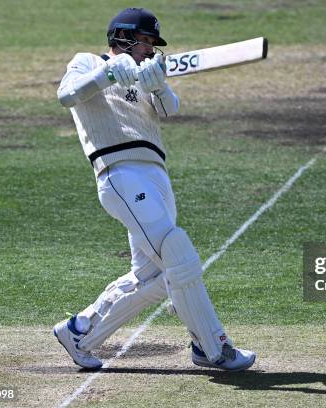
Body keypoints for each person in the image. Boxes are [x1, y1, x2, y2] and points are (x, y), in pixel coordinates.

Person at [54, 7, 256, 371]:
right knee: (178, 253)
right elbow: (66, 95)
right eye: (145, 40)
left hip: (156, 175)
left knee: (155, 276)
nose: (150, 48)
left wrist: (158, 85)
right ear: (123, 37)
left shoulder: (147, 73)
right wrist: (107, 74)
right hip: (119, 171)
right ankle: (213, 347)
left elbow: (169, 109)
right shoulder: (87, 62)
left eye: (152, 43)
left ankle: (80, 331)